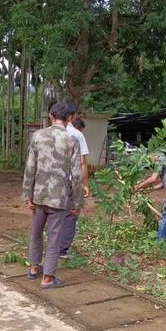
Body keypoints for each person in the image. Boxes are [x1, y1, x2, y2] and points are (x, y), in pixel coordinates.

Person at [23, 102, 84, 289]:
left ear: (51, 116)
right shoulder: (72, 140)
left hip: (39, 194)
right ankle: (48, 277)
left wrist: (27, 194)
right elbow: (76, 174)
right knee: (55, 236)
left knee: (36, 232)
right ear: (70, 118)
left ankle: (34, 268)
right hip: (59, 197)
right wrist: (77, 201)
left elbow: (30, 167)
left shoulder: (38, 136)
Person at [59, 104, 89, 258]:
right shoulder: (77, 135)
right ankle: (62, 250)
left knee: (54, 214)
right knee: (71, 214)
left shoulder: (46, 134)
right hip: (70, 182)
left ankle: (52, 247)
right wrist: (85, 185)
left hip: (52, 183)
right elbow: (82, 163)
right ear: (71, 116)